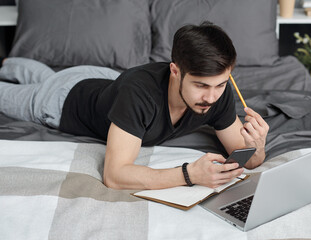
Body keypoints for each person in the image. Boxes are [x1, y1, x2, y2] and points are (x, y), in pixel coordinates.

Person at [0, 22, 269, 190]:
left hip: (103, 80)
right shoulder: (139, 93)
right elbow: (115, 176)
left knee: (36, 73)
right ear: (175, 71)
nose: (211, 98)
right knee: (20, 90)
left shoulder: (218, 91)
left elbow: (247, 157)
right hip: (62, 99)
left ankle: (10, 63)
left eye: (220, 85)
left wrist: (258, 146)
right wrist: (189, 174)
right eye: (200, 86)